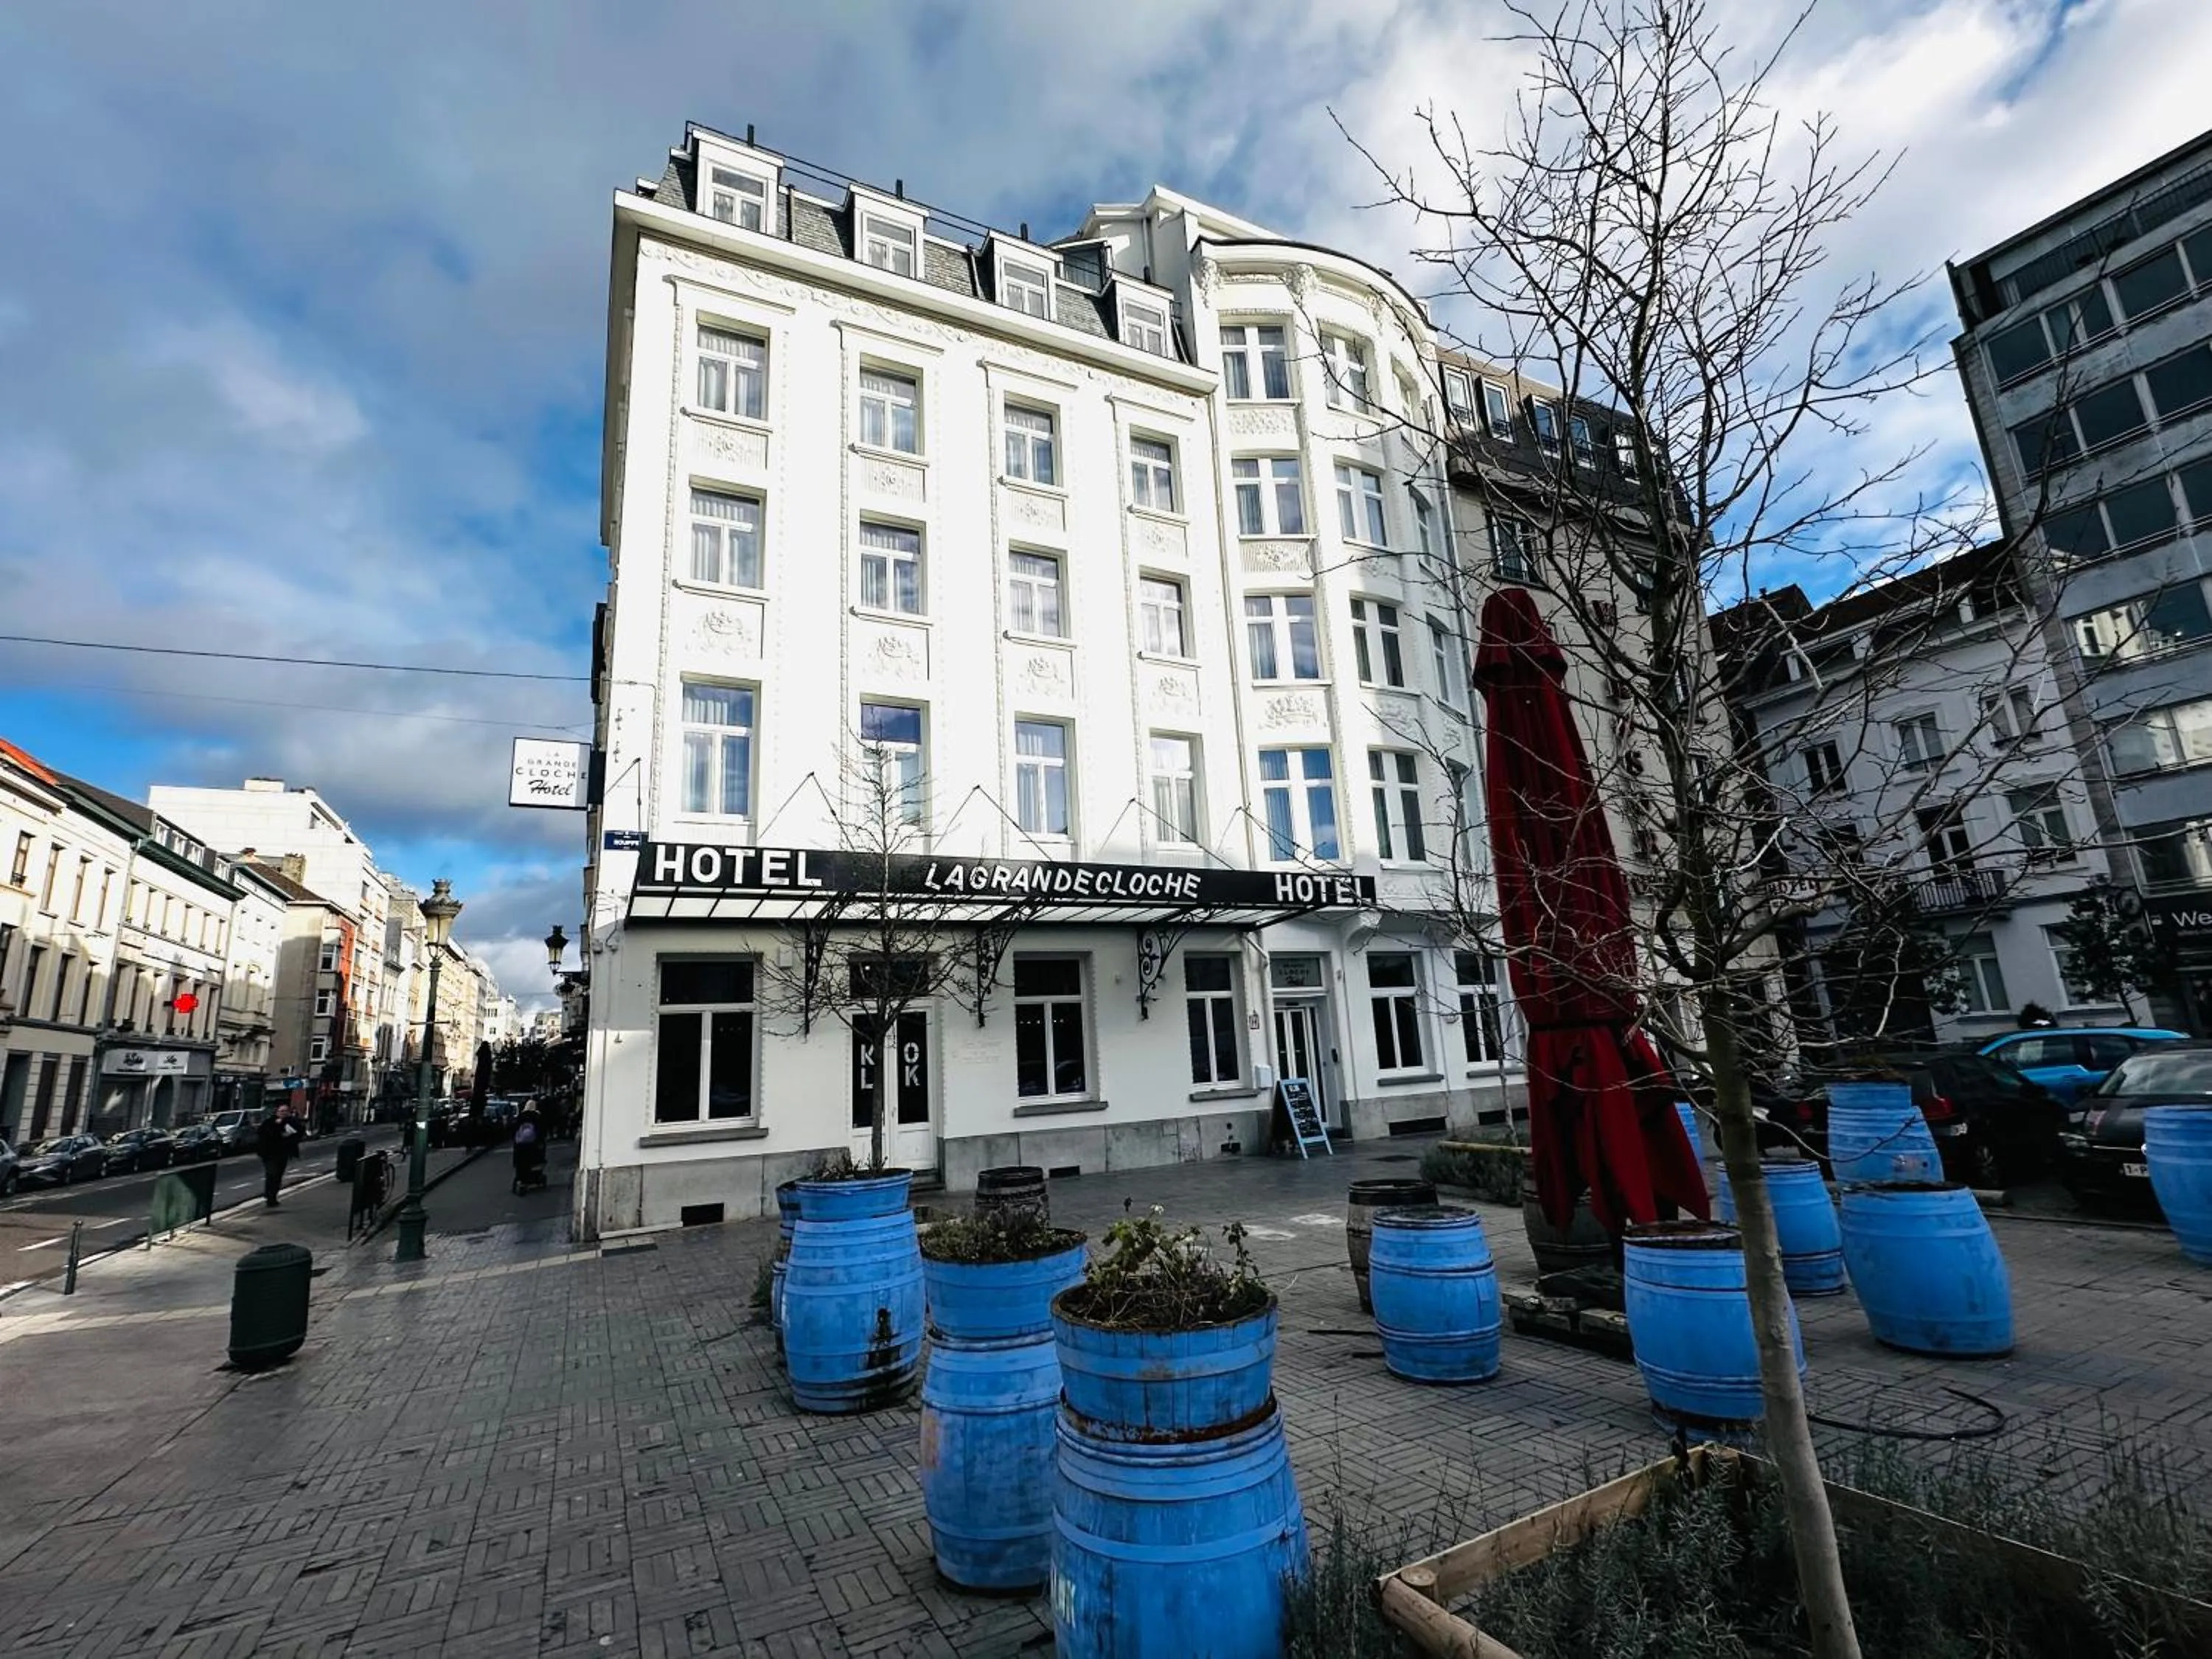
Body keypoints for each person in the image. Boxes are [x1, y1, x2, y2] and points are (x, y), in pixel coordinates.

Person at [254, 1107, 301, 1207]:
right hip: (269, 1154)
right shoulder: (269, 1122)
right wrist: (277, 1127)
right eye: (281, 1111)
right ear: (277, 1112)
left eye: (286, 1111)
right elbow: (264, 1134)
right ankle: (269, 1196)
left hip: (282, 1153)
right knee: (272, 1174)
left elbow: (298, 1133)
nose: (284, 1113)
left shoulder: (291, 1122)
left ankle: (273, 1196)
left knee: (278, 1175)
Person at [512, 1107, 546, 1194]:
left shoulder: (521, 1117)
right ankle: (534, 1177)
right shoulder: (537, 1117)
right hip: (533, 1145)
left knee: (521, 1165)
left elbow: (514, 1129)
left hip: (520, 1145)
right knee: (533, 1162)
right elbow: (541, 1131)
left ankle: (520, 1180)